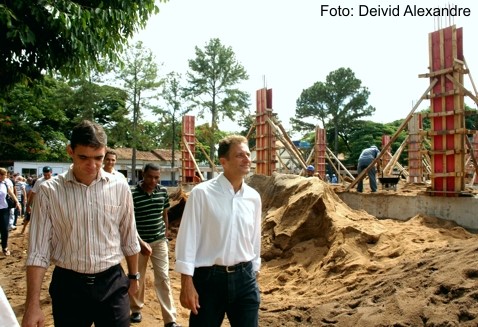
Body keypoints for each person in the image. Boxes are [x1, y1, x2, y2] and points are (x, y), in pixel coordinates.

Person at [22, 120, 141, 327]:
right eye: (84, 157)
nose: (92, 165)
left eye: (99, 158)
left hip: (112, 283)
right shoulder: (50, 192)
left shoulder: (120, 186)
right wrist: (32, 304)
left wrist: (134, 276)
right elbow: (38, 251)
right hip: (69, 287)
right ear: (70, 151)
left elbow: (129, 236)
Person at [175, 134, 262, 327]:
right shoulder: (202, 194)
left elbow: (254, 237)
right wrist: (186, 283)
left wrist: (254, 271)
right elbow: (188, 238)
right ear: (224, 161)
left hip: (245, 279)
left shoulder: (254, 197)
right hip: (209, 281)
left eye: (248, 154)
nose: (247, 159)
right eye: (240, 155)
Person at [129, 163, 180, 326]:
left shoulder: (162, 192)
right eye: (150, 176)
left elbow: (164, 213)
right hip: (138, 243)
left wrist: (165, 231)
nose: (153, 180)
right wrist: (139, 242)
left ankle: (170, 319)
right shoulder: (132, 193)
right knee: (139, 277)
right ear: (143, 174)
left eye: (157, 177)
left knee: (163, 277)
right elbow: (129, 222)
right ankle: (136, 309)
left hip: (159, 241)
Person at [0, 168, 21, 256]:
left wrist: (17, 201)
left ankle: (4, 247)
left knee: (5, 229)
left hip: (4, 209)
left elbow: (11, 193)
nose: (5, 176)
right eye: (4, 175)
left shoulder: (4, 183)